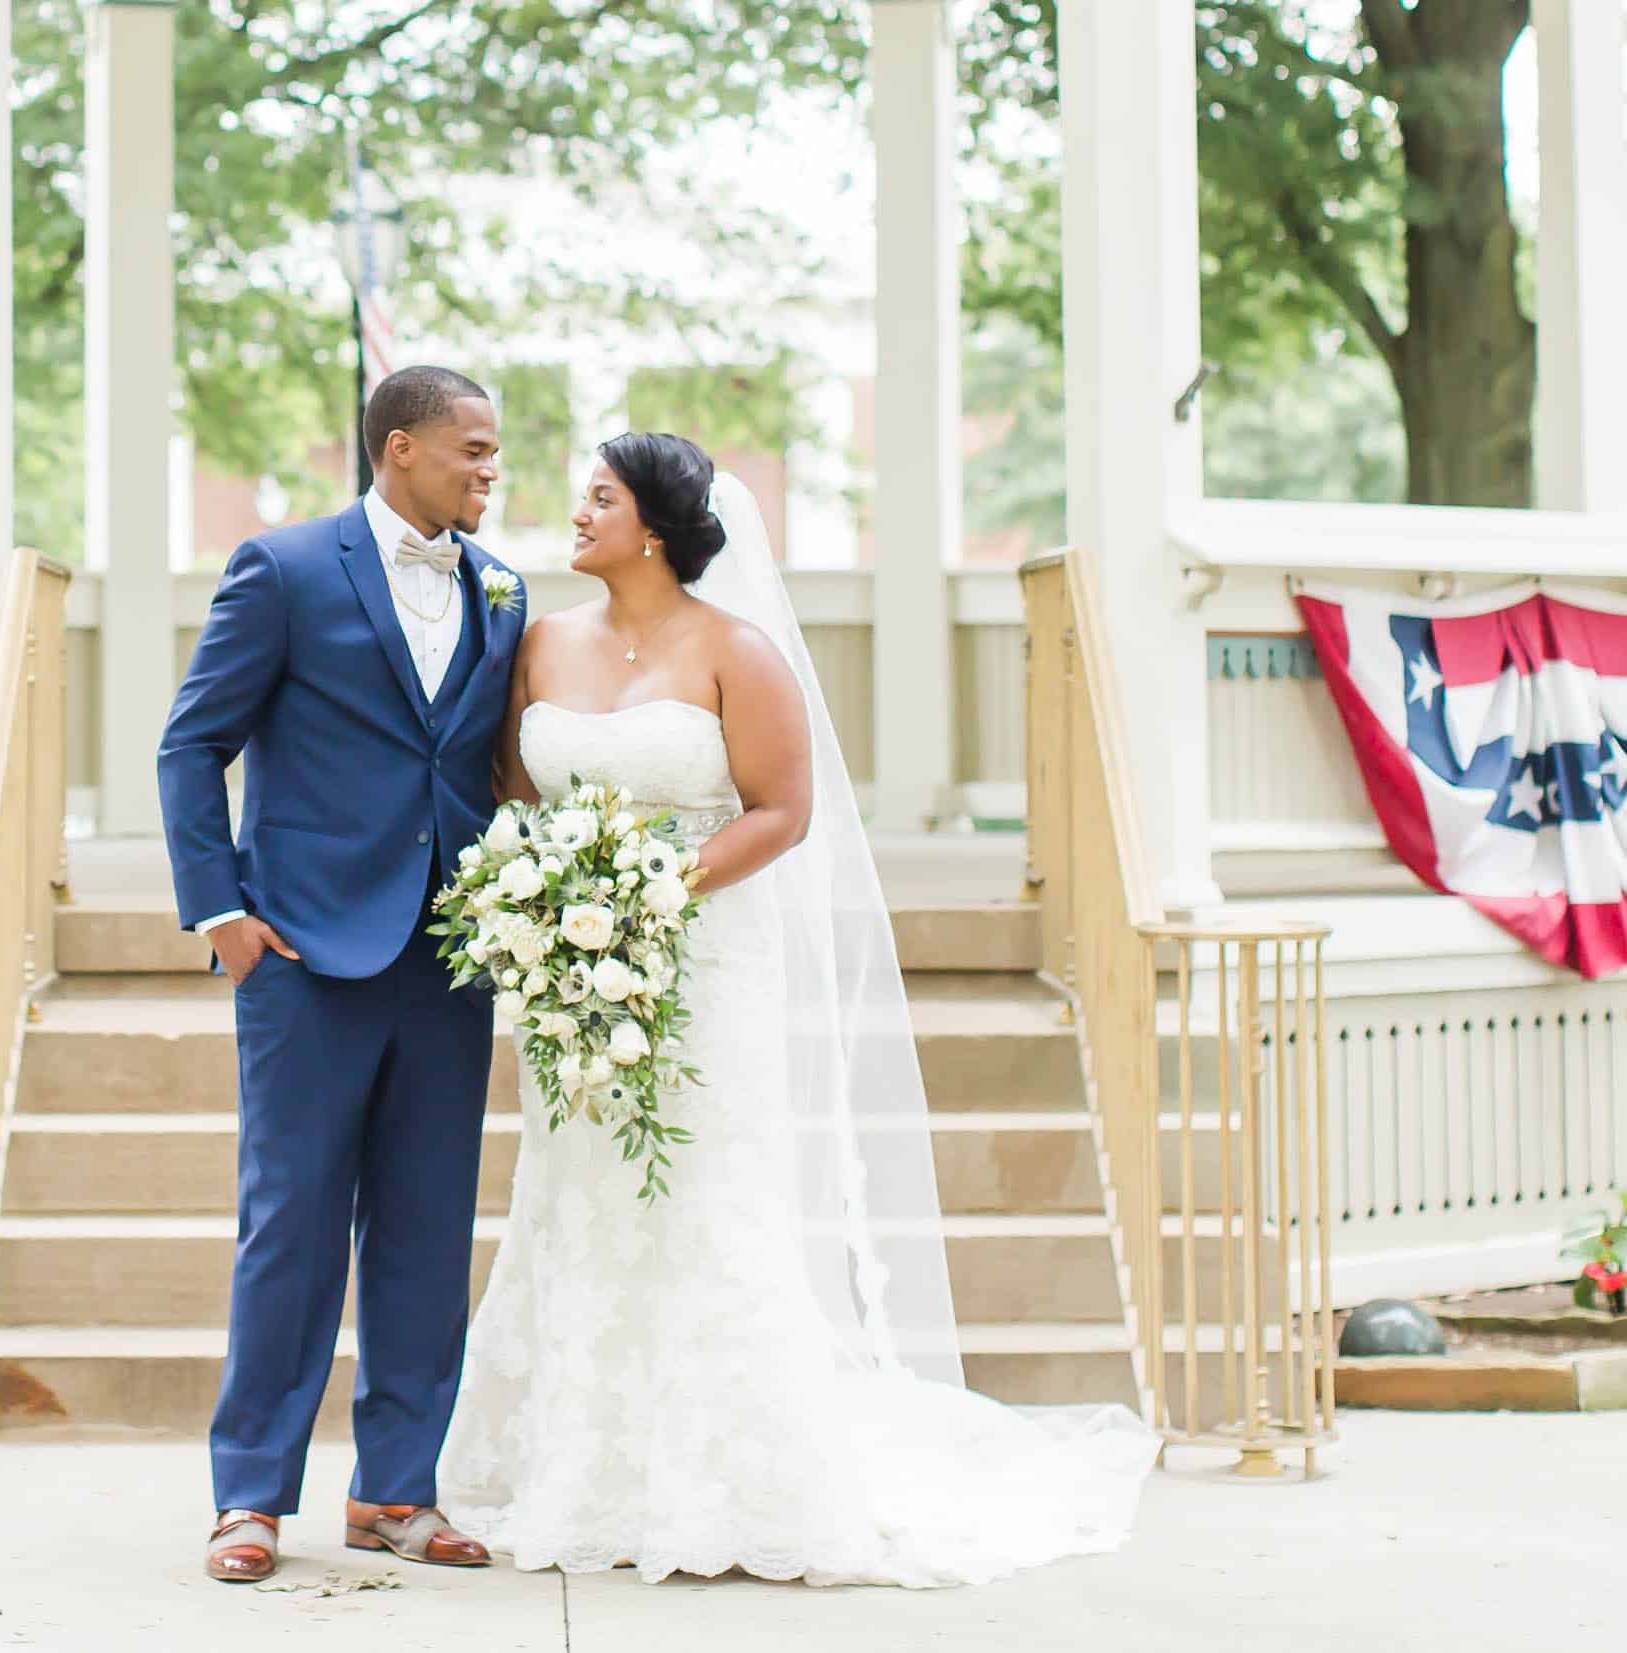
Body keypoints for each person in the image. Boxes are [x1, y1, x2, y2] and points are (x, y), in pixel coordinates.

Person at [437, 431, 1154, 1585]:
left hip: (705, 956)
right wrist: (554, 895)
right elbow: (515, 787)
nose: (575, 513)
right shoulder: (542, 642)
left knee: (707, 1196)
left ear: (655, 528)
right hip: (571, 969)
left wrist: (659, 889)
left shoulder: (736, 651)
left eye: (599, 498)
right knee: (578, 1193)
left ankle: (734, 1479)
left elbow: (781, 810)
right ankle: (586, 1470)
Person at [157, 364, 524, 1585]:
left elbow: (484, 763)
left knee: (424, 1231)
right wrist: (223, 912)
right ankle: (249, 1496)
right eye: (470, 448)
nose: (488, 467)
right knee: (292, 1226)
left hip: (449, 956)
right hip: (305, 953)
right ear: (399, 447)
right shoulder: (284, 569)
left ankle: (396, 1495)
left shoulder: (504, 589)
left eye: (493, 450)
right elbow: (192, 741)